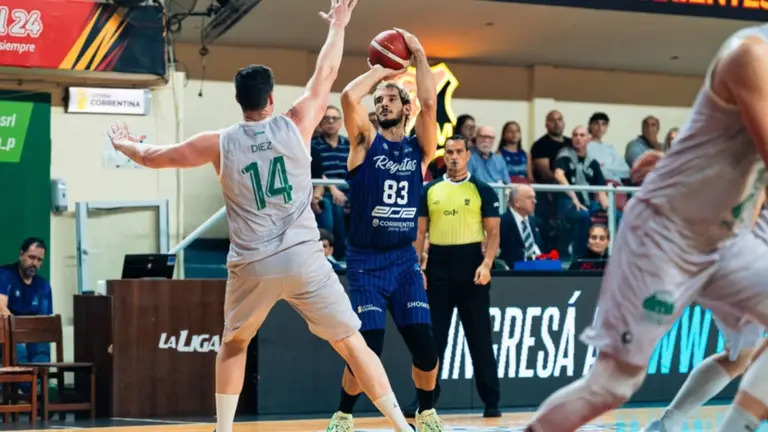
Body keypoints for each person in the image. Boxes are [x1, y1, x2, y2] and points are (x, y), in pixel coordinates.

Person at [107, 2, 416, 432]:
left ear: (239, 101)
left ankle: (224, 430)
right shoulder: (296, 122)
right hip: (304, 258)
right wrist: (339, 25)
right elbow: (326, 72)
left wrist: (126, 146)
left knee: (234, 343)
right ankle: (401, 425)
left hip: (253, 262)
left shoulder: (218, 142)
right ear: (271, 99)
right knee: (351, 342)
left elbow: (158, 157)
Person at [524, 24, 768, 432]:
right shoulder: (752, 54)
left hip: (727, 240)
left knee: (741, 356)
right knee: (612, 385)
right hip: (665, 234)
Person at [325, 28, 443, 432]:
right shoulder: (365, 141)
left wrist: (419, 55)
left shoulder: (420, 149)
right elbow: (347, 98)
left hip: (404, 262)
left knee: (425, 349)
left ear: (405, 107)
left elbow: (430, 103)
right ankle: (344, 413)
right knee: (368, 348)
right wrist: (381, 70)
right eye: (378, 101)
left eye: (391, 98)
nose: (383, 103)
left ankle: (426, 411)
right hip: (366, 263)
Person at [416, 134, 502, 417]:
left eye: (458, 152)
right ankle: (425, 401)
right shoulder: (430, 190)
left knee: (479, 338)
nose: (453, 157)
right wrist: (418, 269)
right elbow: (419, 233)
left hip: (471, 268)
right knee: (433, 340)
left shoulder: (482, 190)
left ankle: (491, 401)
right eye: (449, 152)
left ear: (468, 155)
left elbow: (493, 233)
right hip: (438, 267)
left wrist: (486, 264)